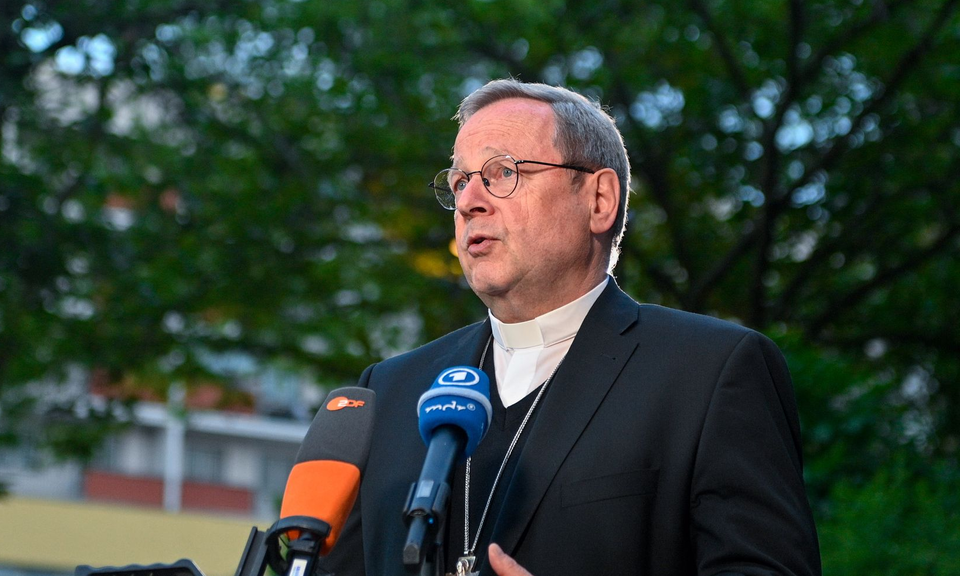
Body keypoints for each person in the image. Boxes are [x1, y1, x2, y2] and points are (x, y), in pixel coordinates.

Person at [321, 79, 821, 576]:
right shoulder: (388, 393)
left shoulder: (709, 373)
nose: (470, 200)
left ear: (599, 199)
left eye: (501, 173)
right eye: (458, 182)